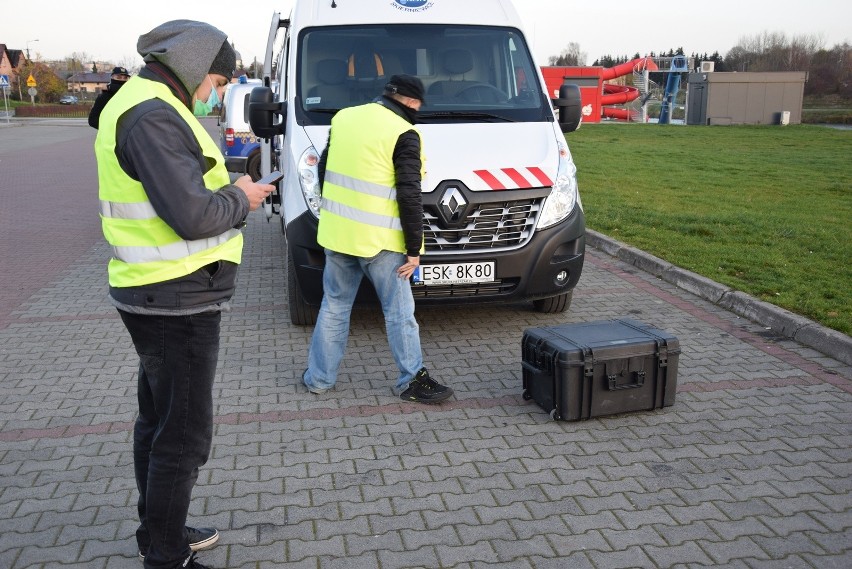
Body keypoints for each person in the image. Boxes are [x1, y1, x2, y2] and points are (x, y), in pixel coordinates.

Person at [93, 20, 275, 569]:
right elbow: (193, 215)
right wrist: (242, 199)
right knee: (184, 436)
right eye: (216, 81)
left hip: (160, 293)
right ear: (194, 68)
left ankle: (159, 529)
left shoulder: (144, 102)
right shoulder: (153, 114)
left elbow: (184, 193)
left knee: (158, 420)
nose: (215, 93)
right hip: (176, 300)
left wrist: (231, 187)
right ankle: (167, 554)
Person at [302, 74, 453, 404]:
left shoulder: (344, 117)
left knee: (334, 307)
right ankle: (411, 380)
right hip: (380, 242)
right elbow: (409, 194)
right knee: (399, 313)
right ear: (412, 103)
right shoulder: (404, 132)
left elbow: (324, 169)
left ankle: (318, 379)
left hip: (338, 235)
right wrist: (415, 250)